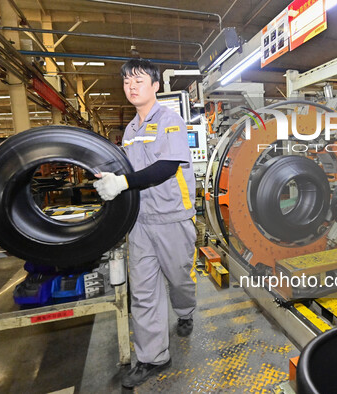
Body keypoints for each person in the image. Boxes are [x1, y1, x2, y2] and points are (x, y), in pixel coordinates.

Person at [93, 58, 197, 388]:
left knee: (179, 278)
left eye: (139, 80)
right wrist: (112, 177)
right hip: (139, 221)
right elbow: (131, 171)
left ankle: (185, 311)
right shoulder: (130, 129)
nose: (132, 86)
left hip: (172, 216)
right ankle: (153, 357)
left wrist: (123, 183)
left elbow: (166, 167)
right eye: (126, 82)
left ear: (155, 86)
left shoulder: (169, 119)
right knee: (143, 291)